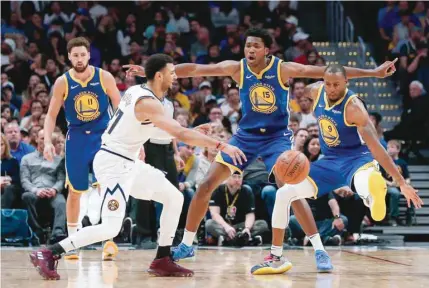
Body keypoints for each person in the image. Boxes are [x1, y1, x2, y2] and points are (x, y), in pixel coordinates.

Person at [124, 27, 400, 273]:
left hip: (277, 139)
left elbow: (326, 73)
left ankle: (319, 249)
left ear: (267, 50)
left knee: (289, 189)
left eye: (256, 46)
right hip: (246, 136)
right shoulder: (237, 68)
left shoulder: (283, 69)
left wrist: (373, 73)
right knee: (207, 184)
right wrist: (152, 73)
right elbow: (196, 69)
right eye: (247, 46)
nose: (250, 50)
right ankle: (186, 244)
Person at [29, 54, 246, 279]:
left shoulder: (138, 92)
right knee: (111, 227)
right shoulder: (148, 102)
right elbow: (178, 132)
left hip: (129, 161)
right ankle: (50, 252)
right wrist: (221, 145)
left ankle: (162, 259)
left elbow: (147, 126)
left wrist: (193, 131)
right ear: (160, 75)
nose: (175, 76)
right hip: (114, 164)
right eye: (171, 72)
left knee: (174, 197)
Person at [251, 64, 423, 275]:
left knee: (365, 180)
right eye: (328, 83)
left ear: (346, 82)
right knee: (284, 193)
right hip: (329, 161)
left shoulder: (354, 108)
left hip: (356, 159)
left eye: (337, 84)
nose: (331, 88)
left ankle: (372, 195)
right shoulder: (316, 90)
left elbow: (376, 147)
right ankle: (276, 257)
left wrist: (402, 183)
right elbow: (306, 75)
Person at [42, 37, 121, 260]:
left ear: (89, 55)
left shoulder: (104, 77)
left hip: (103, 139)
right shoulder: (62, 82)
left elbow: (120, 107)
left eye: (82, 55)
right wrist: (48, 141)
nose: (79, 59)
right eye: (75, 55)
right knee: (75, 192)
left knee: (107, 189)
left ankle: (109, 240)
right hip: (76, 139)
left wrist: (125, 138)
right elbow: (50, 115)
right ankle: (71, 243)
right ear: (69, 57)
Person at [21, 129, 66, 244]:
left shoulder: (59, 160)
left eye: (48, 140)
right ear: (36, 139)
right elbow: (25, 180)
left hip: (52, 191)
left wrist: (54, 189)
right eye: (42, 138)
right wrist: (36, 190)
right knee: (26, 196)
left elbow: (61, 179)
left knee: (61, 201)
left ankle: (58, 233)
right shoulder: (26, 159)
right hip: (34, 191)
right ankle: (37, 232)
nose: (45, 142)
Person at [206, 173, 269, 246]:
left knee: (262, 224)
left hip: (241, 225)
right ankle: (246, 239)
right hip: (224, 226)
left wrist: (247, 228)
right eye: (234, 177)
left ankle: (228, 239)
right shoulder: (218, 190)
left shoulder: (246, 191)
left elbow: (250, 214)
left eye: (239, 177)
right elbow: (214, 214)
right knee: (209, 224)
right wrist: (227, 227)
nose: (237, 180)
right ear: (227, 178)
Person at [1, 133, 21, 208]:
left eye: (2, 144)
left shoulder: (12, 161)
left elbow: (18, 178)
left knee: (9, 189)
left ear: (6, 146)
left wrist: (8, 178)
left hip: (8, 190)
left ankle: (3, 215)